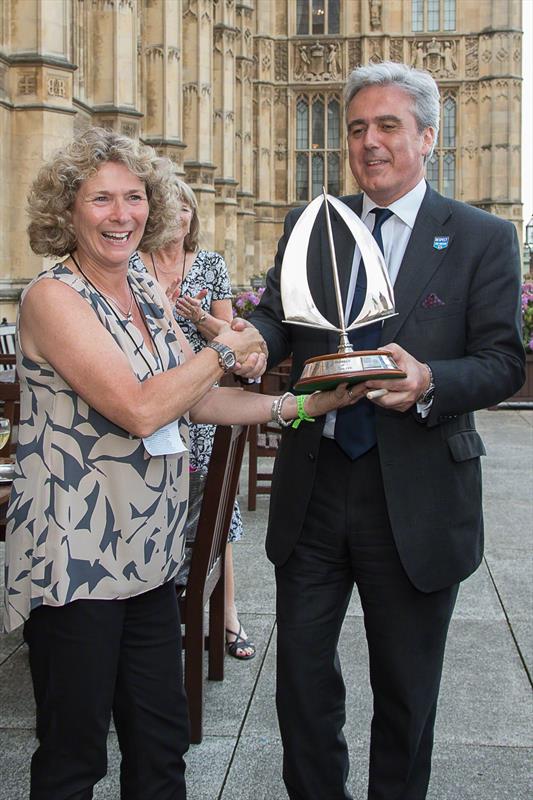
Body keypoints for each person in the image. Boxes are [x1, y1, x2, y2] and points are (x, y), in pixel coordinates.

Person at [2, 127, 359, 800]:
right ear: (68, 211)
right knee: (74, 759)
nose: (121, 215)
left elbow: (191, 402)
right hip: (75, 559)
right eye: (101, 199)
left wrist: (299, 408)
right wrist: (227, 345)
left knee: (162, 751)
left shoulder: (139, 286)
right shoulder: (53, 297)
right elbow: (141, 409)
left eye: (133, 197)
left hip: (148, 555)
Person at [247, 62, 525, 800]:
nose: (369, 143)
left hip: (418, 492)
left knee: (405, 695)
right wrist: (247, 337)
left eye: (388, 126)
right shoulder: (313, 225)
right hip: (316, 484)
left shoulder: (480, 236)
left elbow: (501, 362)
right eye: (357, 127)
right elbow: (279, 318)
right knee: (300, 688)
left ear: (427, 137)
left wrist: (430, 380)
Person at [130, 178, 254, 659]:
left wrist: (200, 318)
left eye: (186, 209)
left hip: (203, 402)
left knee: (213, 521)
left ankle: (227, 620)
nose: (179, 217)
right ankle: (155, 620)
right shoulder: (136, 266)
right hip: (155, 403)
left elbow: (230, 332)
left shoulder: (209, 264)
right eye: (171, 207)